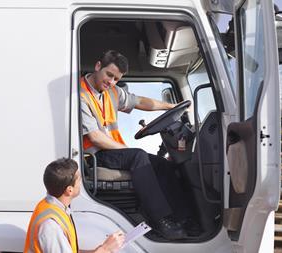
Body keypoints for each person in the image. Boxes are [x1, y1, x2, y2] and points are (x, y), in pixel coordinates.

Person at [80, 50, 200, 240]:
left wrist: (171, 106)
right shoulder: (81, 94)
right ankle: (161, 220)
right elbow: (95, 137)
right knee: (138, 156)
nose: (111, 81)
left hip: (113, 151)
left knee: (163, 165)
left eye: (116, 79)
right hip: (95, 155)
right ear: (97, 67)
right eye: (109, 75)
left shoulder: (112, 91)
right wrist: (127, 150)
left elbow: (141, 102)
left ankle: (185, 219)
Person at [24, 158, 125, 253]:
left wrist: (98, 250)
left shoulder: (50, 206)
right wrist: (105, 249)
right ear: (69, 190)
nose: (82, 183)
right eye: (79, 180)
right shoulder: (51, 226)